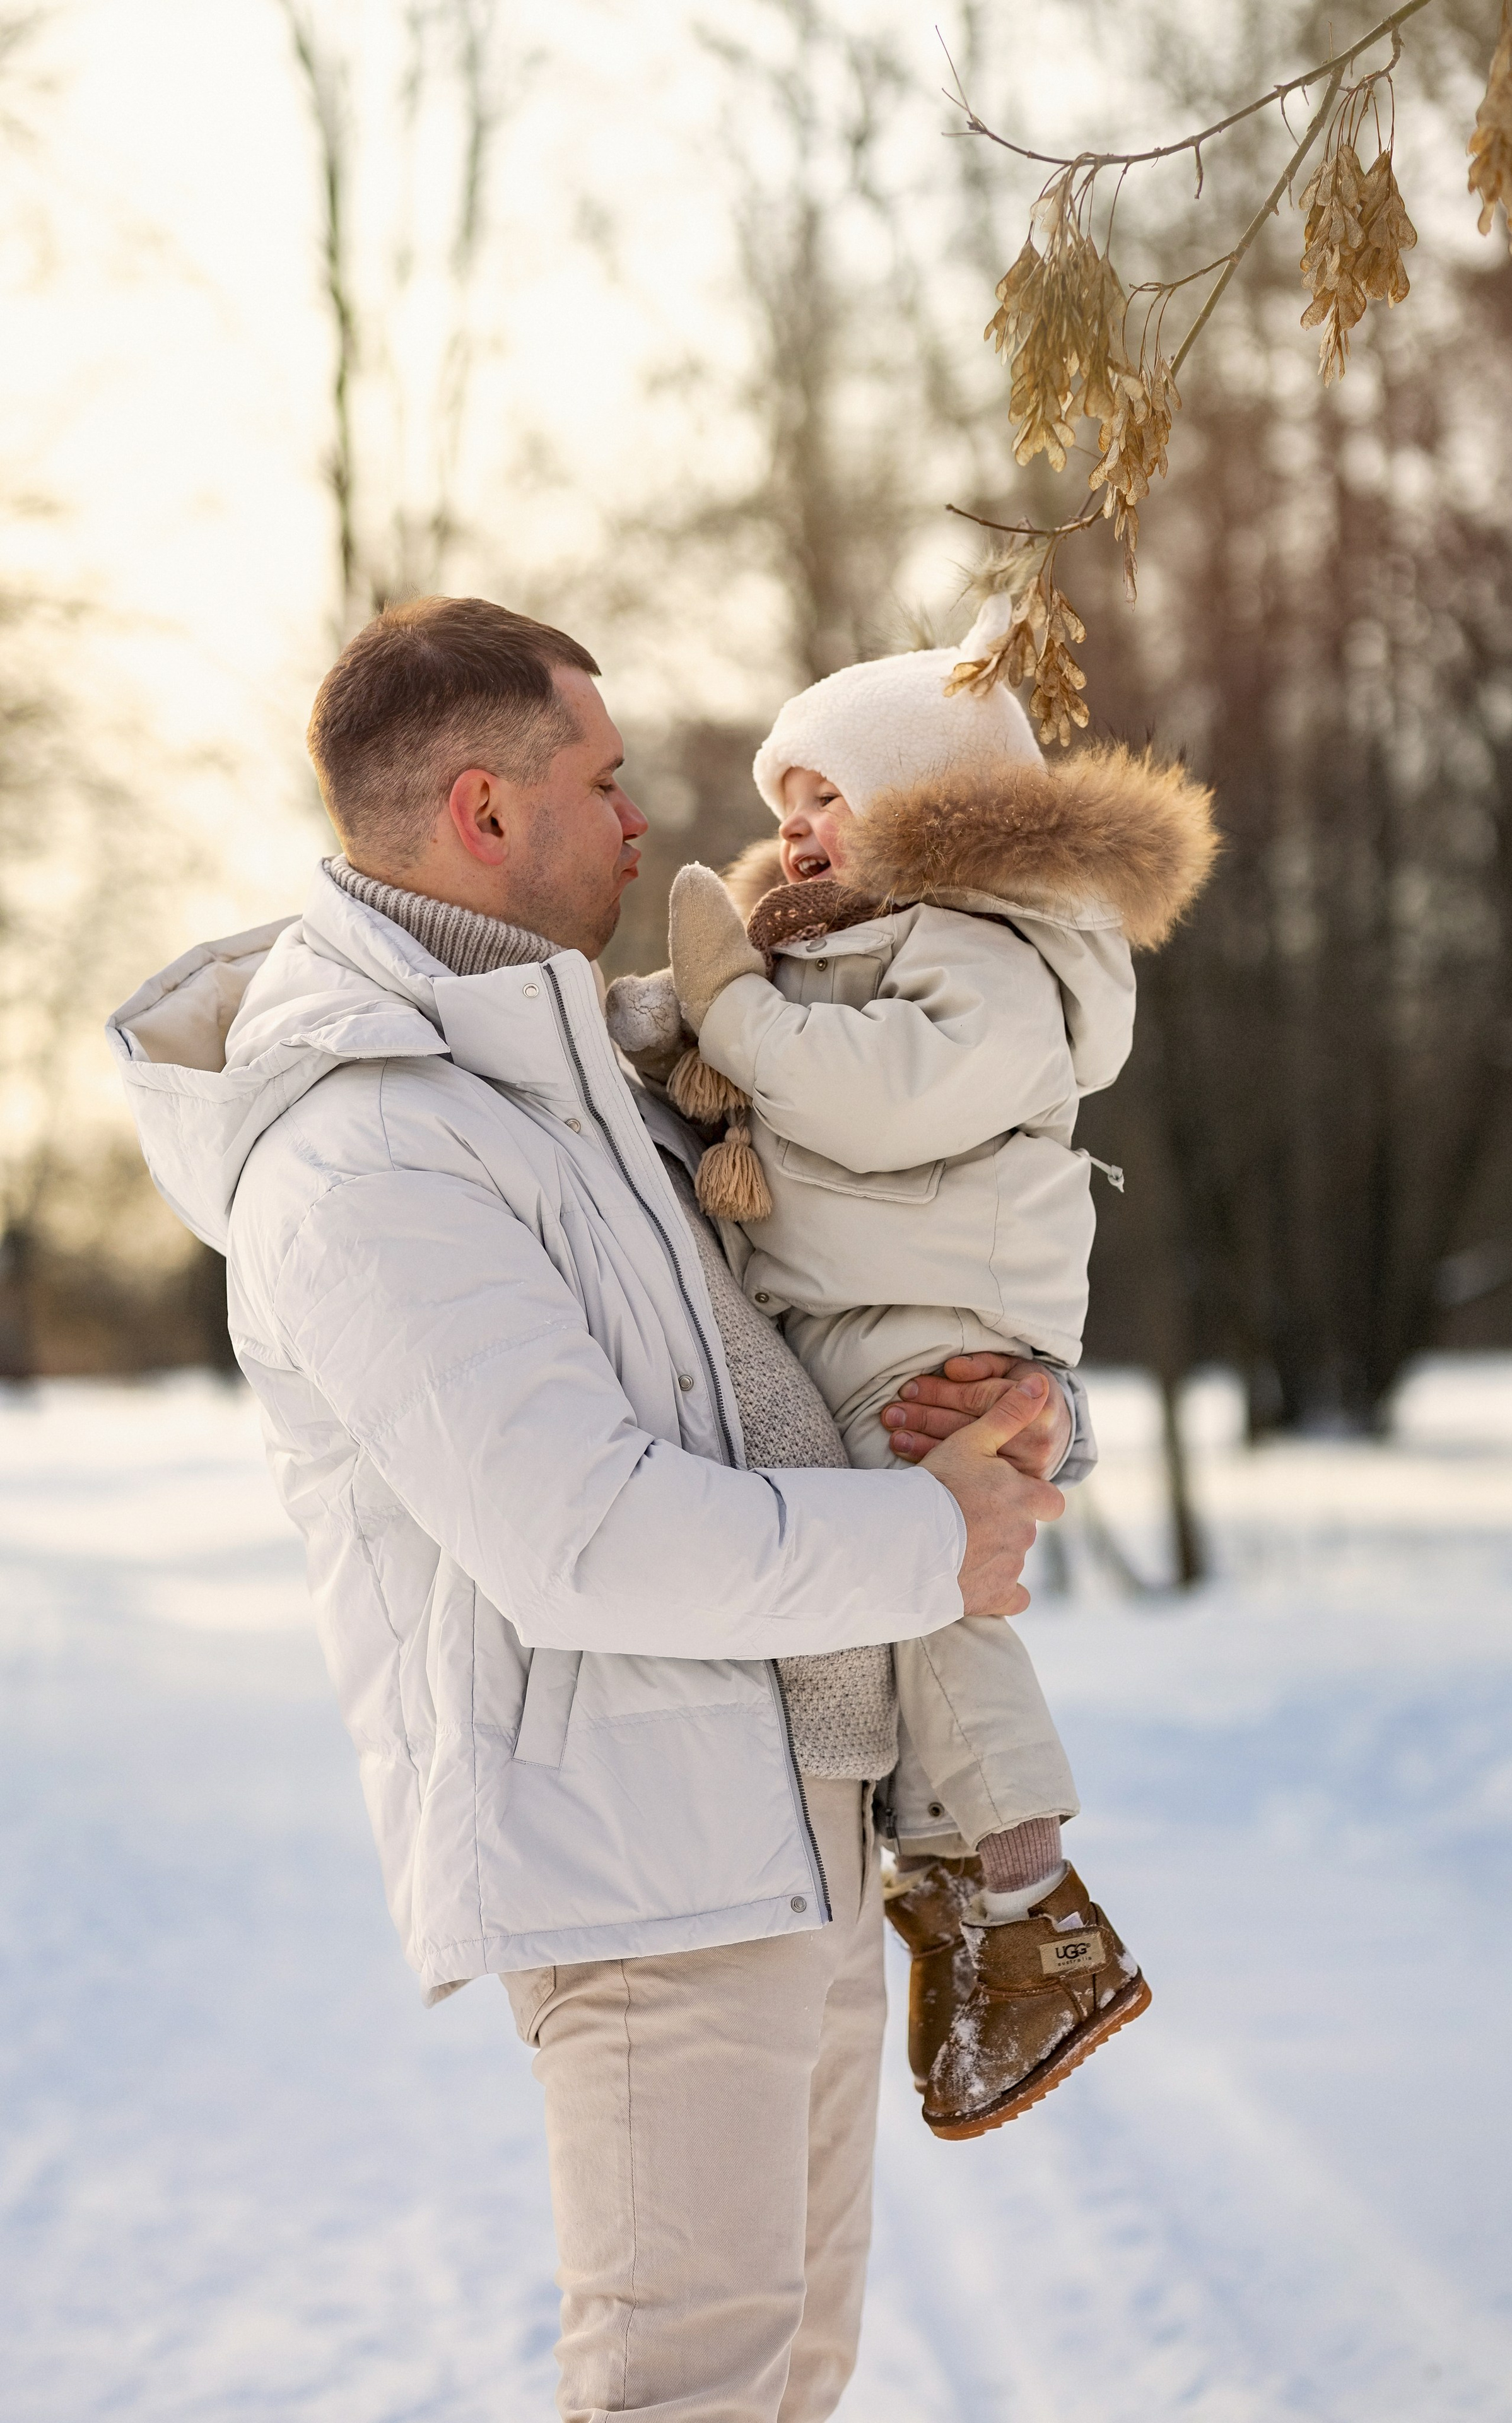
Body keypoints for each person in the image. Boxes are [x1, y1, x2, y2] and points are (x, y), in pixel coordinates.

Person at [106, 594, 1089, 2423]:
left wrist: (1004, 1412)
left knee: (787, 2377)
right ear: (485, 810)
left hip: (790, 1820)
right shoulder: (367, 1141)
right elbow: (582, 1539)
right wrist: (928, 1540)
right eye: (606, 779)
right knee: (684, 2391)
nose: (648, 819)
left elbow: (823, 1331)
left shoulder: (573, 1079)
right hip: (642, 1870)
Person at [605, 597, 1217, 2137]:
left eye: (832, 793)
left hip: (939, 1324)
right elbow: (729, 1069)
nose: (796, 826)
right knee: (886, 1599)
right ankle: (953, 1890)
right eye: (786, 800)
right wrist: (663, 1024)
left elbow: (877, 1101)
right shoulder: (837, 949)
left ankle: (1030, 1897)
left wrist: (731, 1008)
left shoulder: (985, 952)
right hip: (855, 1319)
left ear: (931, 806)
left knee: (927, 1578)